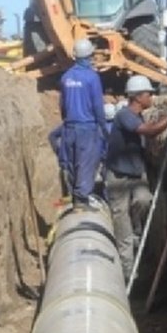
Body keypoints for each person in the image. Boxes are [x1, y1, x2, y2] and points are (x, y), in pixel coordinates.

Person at [104, 75, 167, 281]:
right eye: (148, 93)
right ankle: (129, 278)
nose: (151, 97)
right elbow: (149, 132)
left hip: (136, 175)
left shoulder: (138, 115)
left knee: (144, 200)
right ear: (137, 97)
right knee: (123, 236)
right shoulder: (125, 115)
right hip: (118, 179)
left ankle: (137, 230)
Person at [60, 38, 109, 210]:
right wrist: (103, 127)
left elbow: (62, 105)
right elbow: (97, 105)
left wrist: (66, 122)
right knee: (87, 162)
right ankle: (81, 200)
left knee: (72, 162)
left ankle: (75, 197)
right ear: (90, 56)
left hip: (69, 127)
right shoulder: (92, 77)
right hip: (87, 127)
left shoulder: (66, 77)